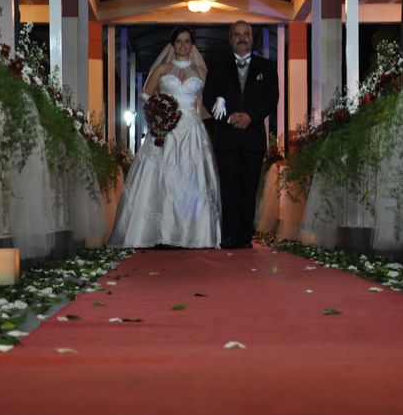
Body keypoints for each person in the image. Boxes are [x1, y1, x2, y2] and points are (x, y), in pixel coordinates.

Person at [109, 26, 221, 248]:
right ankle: (157, 232)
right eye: (179, 41)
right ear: (173, 44)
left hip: (192, 132)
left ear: (192, 45)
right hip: (165, 131)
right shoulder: (162, 68)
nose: (183, 45)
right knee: (163, 177)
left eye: (187, 41)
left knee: (191, 181)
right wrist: (160, 114)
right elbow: (145, 97)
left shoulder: (201, 72)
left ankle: (193, 233)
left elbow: (205, 103)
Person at [202, 20, 279, 249]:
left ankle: (245, 237)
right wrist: (226, 117)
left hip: (253, 137)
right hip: (227, 138)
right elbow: (208, 98)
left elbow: (271, 99)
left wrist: (251, 117)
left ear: (252, 38)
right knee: (229, 188)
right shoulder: (217, 66)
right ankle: (228, 236)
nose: (242, 38)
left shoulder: (267, 66)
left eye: (246, 34)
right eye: (237, 34)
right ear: (230, 38)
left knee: (249, 188)